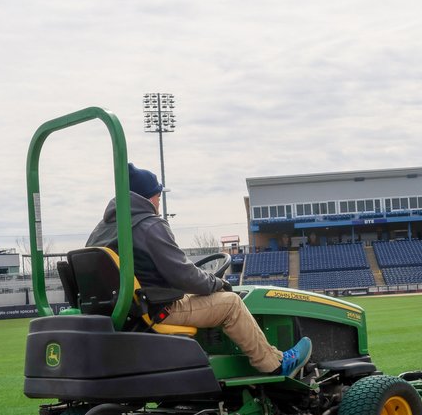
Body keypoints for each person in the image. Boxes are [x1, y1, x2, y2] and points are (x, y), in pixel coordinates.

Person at [86, 162, 312, 377]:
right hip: (156, 310)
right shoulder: (150, 225)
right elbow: (184, 275)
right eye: (158, 196)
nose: (158, 203)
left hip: (127, 312)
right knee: (232, 303)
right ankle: (274, 364)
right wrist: (217, 283)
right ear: (147, 197)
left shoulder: (102, 230)